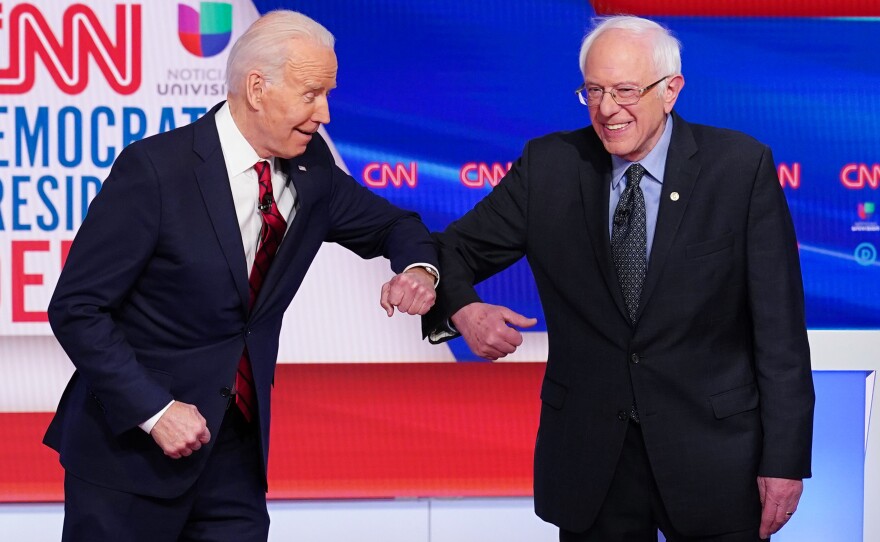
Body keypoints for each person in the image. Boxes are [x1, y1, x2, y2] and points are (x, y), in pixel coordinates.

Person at [44, 10, 438, 542]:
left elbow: (394, 224)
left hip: (234, 459)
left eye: (328, 94)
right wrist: (155, 410)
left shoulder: (312, 167)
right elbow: (77, 308)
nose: (324, 112)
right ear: (257, 88)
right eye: (311, 93)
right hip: (130, 458)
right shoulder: (156, 171)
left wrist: (416, 269)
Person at [424, 15, 814, 542]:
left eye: (626, 91)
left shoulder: (739, 168)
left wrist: (785, 461)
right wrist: (464, 309)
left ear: (671, 90)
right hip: (592, 466)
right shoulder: (551, 166)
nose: (607, 109)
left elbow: (781, 334)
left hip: (714, 460)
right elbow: (449, 250)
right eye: (593, 91)